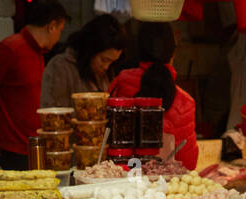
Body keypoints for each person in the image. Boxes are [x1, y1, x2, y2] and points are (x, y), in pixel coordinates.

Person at [0, 0, 69, 171]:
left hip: (34, 144)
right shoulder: (10, 48)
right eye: (60, 30)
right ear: (52, 26)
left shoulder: (38, 52)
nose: (59, 36)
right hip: (15, 148)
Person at [109, 23, 198, 170]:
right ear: (173, 54)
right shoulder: (186, 102)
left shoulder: (120, 83)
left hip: (120, 184)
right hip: (164, 188)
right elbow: (188, 165)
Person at [40, 15, 125, 108]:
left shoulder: (106, 73)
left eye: (112, 62)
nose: (106, 67)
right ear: (90, 49)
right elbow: (54, 114)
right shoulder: (60, 67)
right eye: (104, 60)